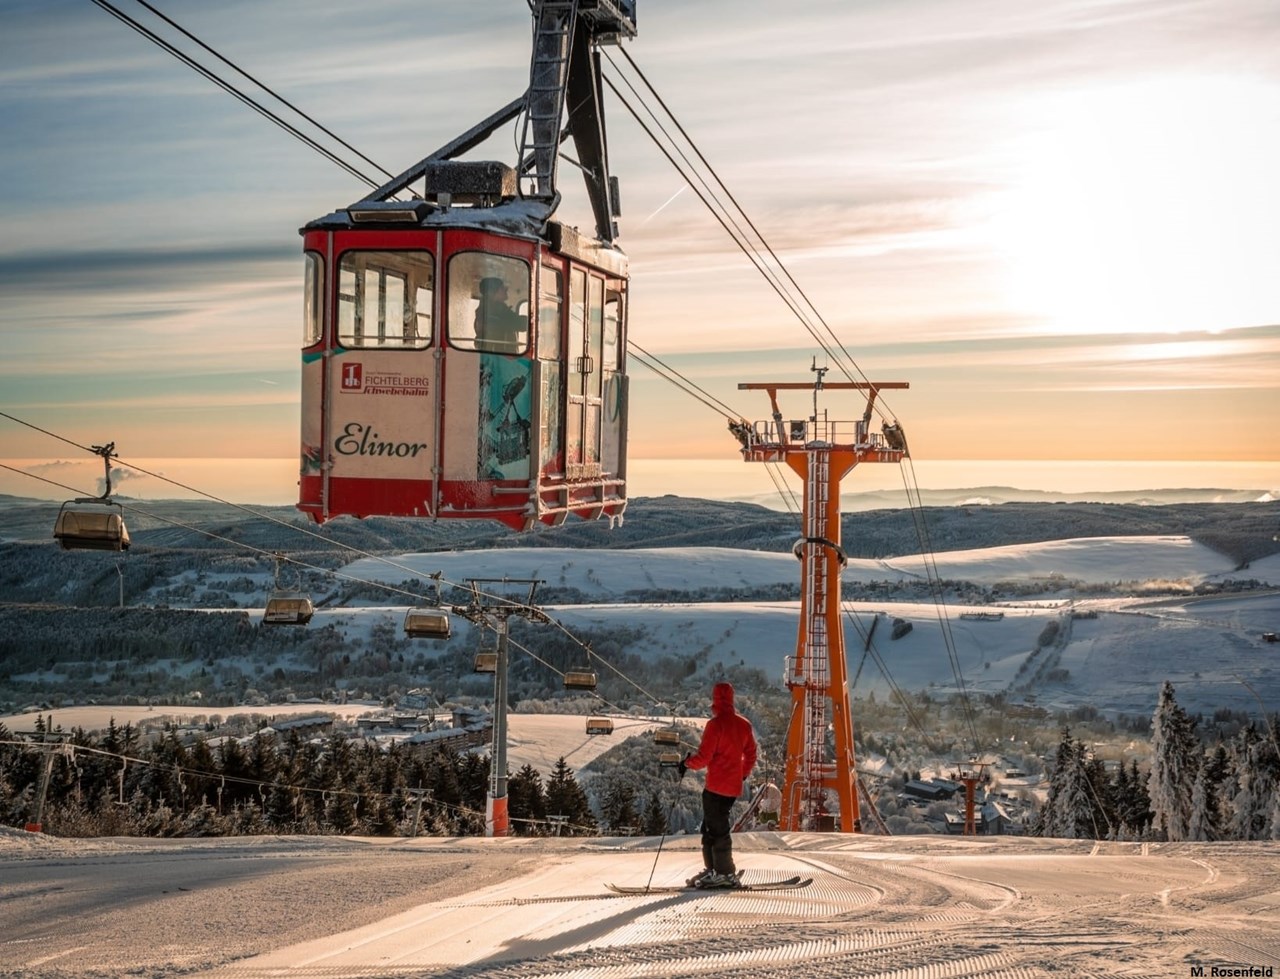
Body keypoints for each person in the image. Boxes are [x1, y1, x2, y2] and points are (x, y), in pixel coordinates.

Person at [678, 681, 757, 888]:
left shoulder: (715, 725)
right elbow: (751, 755)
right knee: (712, 826)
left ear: (715, 700)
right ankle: (714, 870)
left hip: (715, 787)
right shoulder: (744, 725)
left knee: (716, 829)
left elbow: (704, 757)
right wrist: (743, 774)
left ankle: (724, 872)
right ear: (732, 699)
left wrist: (687, 763)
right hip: (732, 788)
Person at [474, 276, 526, 352]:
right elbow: (518, 324)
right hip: (496, 357)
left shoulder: (500, 310)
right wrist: (532, 320)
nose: (506, 291)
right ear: (492, 292)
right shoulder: (489, 313)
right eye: (502, 288)